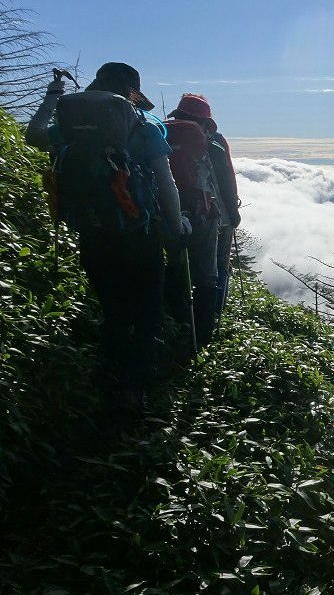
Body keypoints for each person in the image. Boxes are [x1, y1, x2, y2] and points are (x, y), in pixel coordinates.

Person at [26, 62, 189, 414]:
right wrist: (176, 229)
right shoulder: (143, 123)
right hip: (139, 235)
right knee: (147, 313)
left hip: (92, 231)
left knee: (114, 309)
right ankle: (134, 389)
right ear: (132, 93)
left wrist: (54, 97)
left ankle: (108, 373)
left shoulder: (71, 124)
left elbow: (34, 135)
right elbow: (166, 183)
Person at [163, 93, 240, 349]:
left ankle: (179, 317)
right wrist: (233, 213)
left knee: (175, 264)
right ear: (206, 121)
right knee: (210, 273)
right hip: (204, 213)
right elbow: (226, 181)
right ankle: (204, 333)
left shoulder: (160, 132)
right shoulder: (214, 143)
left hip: (166, 213)